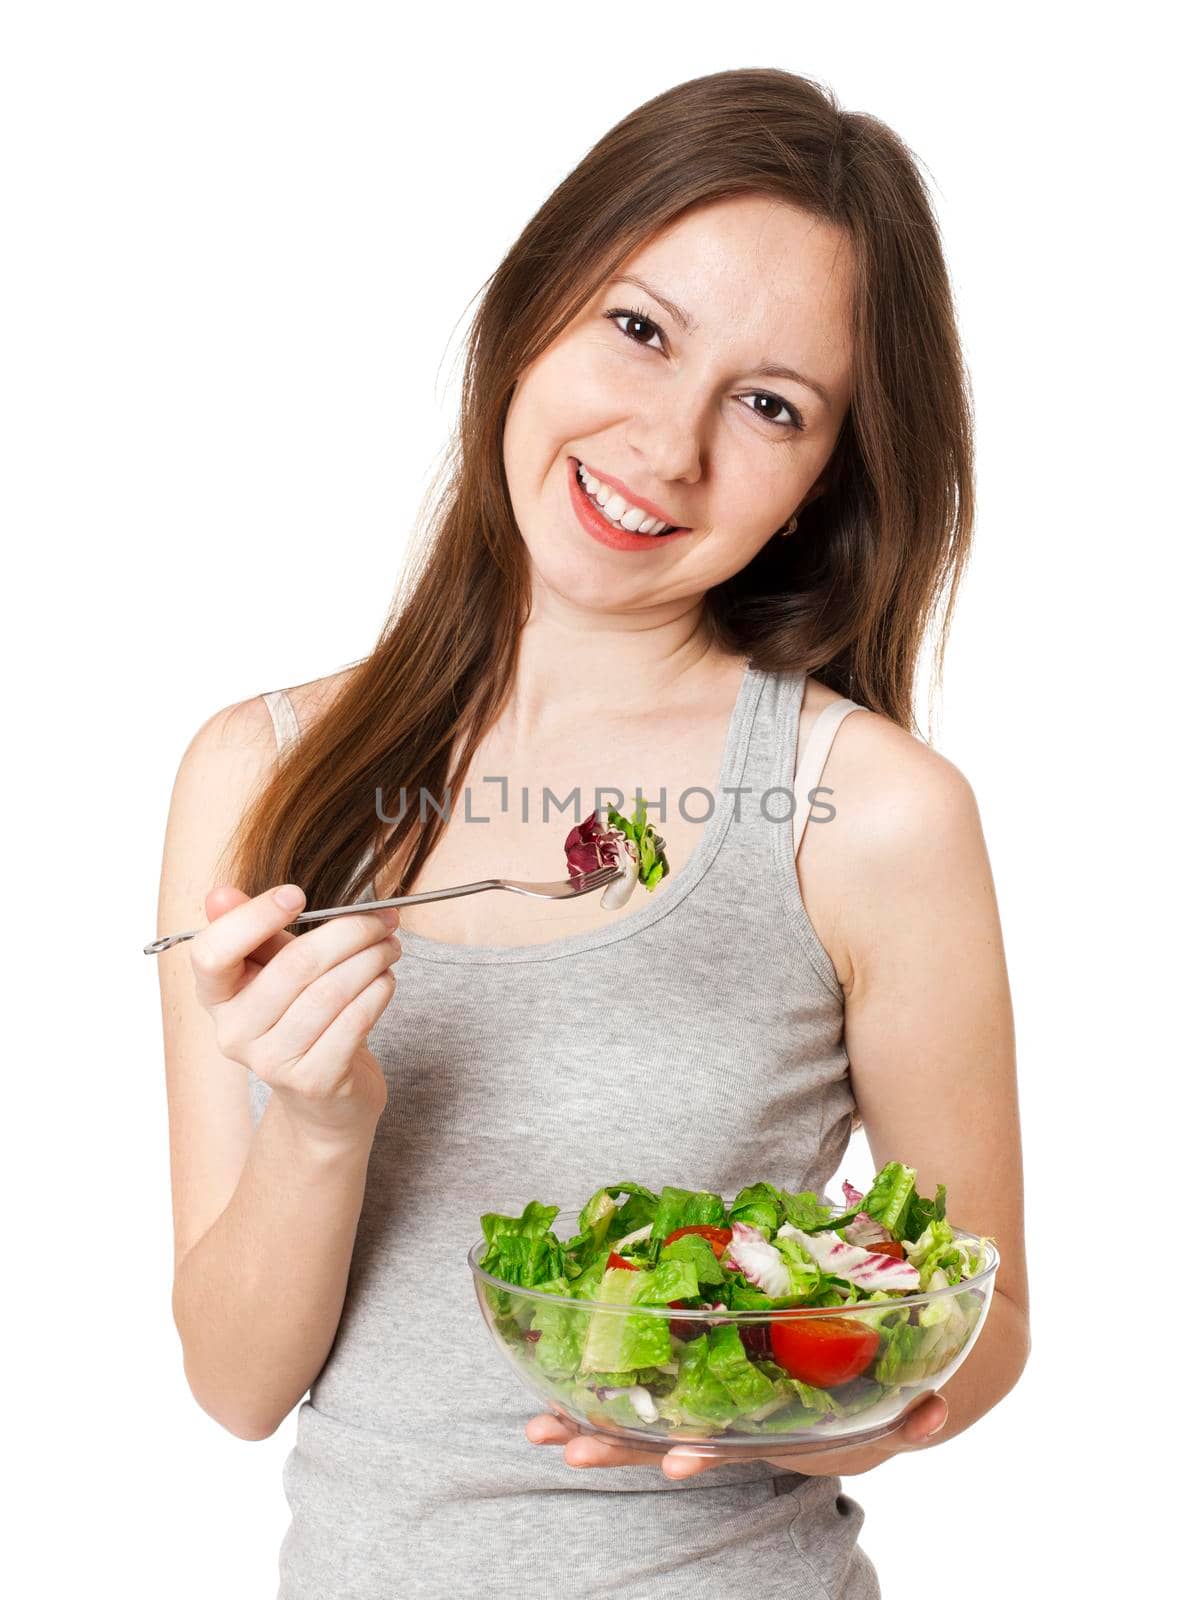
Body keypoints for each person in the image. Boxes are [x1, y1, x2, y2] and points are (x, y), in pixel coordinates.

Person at [155, 67, 1030, 1600]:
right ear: (533, 308)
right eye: (639, 328)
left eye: (770, 407)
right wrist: (317, 1124)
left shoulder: (873, 814)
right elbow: (234, 1387)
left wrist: (775, 1398)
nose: (667, 447)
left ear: (827, 478)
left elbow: (986, 1322)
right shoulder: (261, 776)